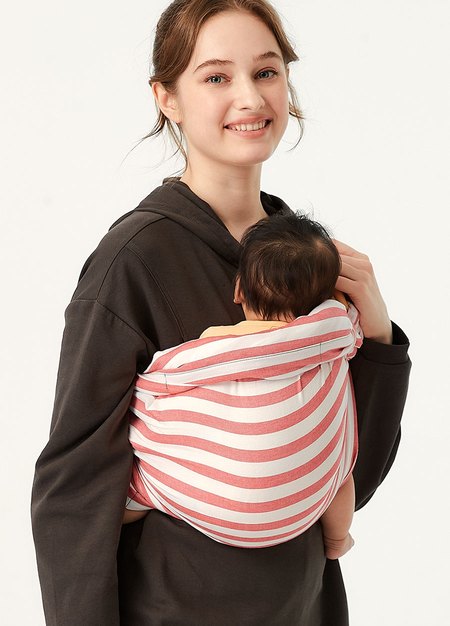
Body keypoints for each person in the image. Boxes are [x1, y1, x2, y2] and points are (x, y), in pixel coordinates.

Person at [31, 1, 411, 625]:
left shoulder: (307, 259)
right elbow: (73, 494)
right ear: (167, 98)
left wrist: (377, 335)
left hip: (305, 608)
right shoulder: (134, 262)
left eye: (266, 72)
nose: (250, 97)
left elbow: (349, 476)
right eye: (216, 76)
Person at [123, 212, 361, 561]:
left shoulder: (219, 341)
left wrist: (146, 389)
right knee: (341, 475)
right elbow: (349, 318)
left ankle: (125, 514)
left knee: (140, 484)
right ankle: (338, 539)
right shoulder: (335, 332)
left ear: (238, 290)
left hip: (218, 507)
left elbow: (167, 377)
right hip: (302, 508)